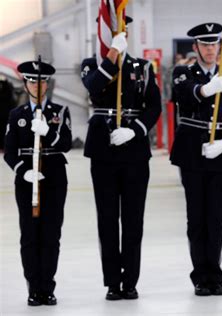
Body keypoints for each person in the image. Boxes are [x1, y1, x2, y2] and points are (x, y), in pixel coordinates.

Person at [80, 16, 162, 299]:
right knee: (107, 218)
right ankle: (112, 282)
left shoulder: (143, 67)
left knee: (133, 219)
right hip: (102, 149)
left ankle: (131, 281)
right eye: (114, 30)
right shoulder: (92, 64)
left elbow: (154, 106)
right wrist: (112, 54)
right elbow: (93, 87)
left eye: (122, 30)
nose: (119, 33)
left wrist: (135, 131)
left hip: (134, 151)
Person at [4, 60, 72, 306]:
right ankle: (33, 287)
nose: (38, 85)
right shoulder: (16, 115)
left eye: (42, 81)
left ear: (48, 83)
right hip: (27, 180)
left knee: (51, 234)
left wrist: (48, 132)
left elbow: (65, 144)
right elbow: (9, 152)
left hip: (54, 178)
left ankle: (48, 287)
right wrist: (23, 171)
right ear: (25, 83)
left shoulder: (59, 112)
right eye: (33, 81)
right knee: (30, 236)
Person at [170, 22, 222, 296]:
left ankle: (215, 276)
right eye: (204, 45)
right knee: (197, 218)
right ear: (195, 48)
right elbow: (183, 95)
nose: (209, 49)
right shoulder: (184, 72)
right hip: (192, 152)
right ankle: (199, 277)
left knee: (216, 218)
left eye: (213, 44)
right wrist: (207, 89)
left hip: (219, 152)